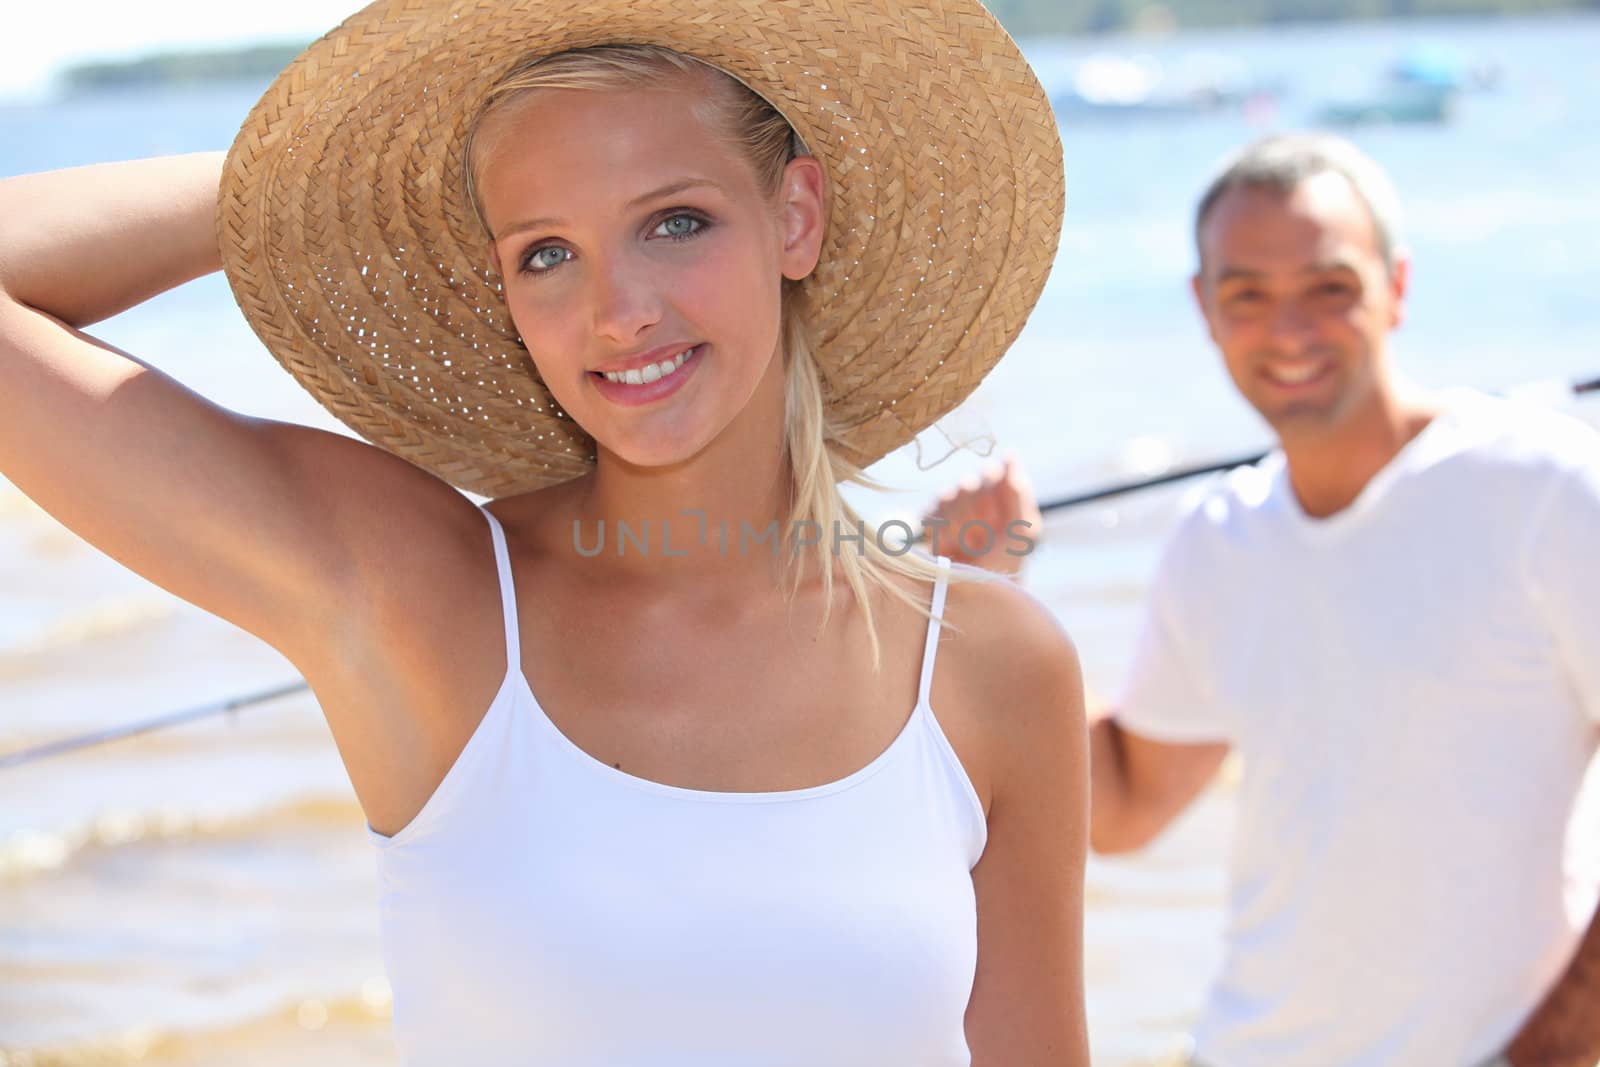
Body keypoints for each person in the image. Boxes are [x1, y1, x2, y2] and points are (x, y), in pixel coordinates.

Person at [0, 1, 1091, 1063]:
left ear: (796, 217)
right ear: (503, 288)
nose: (619, 310)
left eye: (674, 222)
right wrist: (300, 182)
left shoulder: (993, 667)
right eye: (546, 251)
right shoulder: (427, 602)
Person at [928, 133, 1600, 1067]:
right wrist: (993, 596)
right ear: (1205, 309)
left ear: (1396, 287)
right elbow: (1124, 804)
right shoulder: (1220, 536)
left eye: (1328, 288)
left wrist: (1558, 1046)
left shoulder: (1551, 489)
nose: (1288, 331)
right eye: (1248, 295)